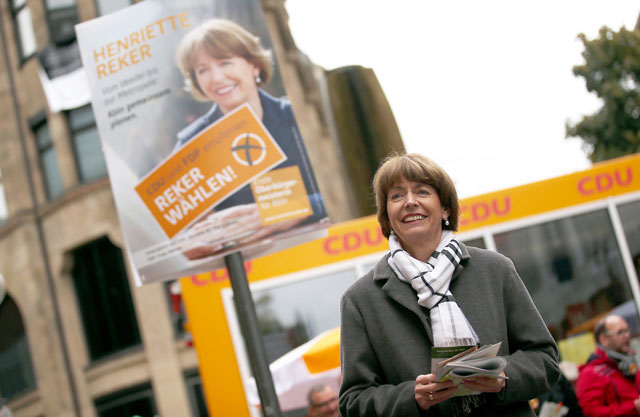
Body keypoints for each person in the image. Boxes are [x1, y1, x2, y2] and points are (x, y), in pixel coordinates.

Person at [338, 153, 560, 416]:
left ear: (445, 208)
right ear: (387, 217)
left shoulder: (495, 269)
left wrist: (503, 376)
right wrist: (412, 397)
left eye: (422, 191)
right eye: (396, 196)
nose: (410, 202)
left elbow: (546, 360)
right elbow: (353, 402)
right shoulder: (360, 300)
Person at [174, 19, 326, 258]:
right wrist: (195, 236)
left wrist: (294, 209)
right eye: (203, 70)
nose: (216, 78)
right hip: (248, 268)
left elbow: (343, 189)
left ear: (254, 65)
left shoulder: (295, 118)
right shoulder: (191, 145)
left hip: (322, 250)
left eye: (225, 63)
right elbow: (185, 236)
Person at [576, 314, 640, 416]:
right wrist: (634, 407)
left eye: (627, 331)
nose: (627, 335)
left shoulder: (629, 362)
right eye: (620, 332)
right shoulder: (590, 374)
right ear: (604, 339)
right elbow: (592, 413)